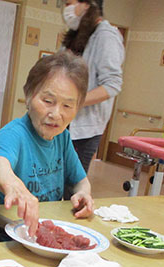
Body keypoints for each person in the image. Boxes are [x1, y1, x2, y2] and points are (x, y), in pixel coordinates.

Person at [0, 51, 94, 236]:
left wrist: (83, 194)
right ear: (28, 96)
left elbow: (80, 182)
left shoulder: (62, 138)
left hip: (43, 233)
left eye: (67, 106)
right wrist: (15, 187)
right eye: (48, 101)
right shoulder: (13, 133)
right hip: (3, 235)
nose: (56, 114)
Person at [61, 0, 124, 174]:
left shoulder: (106, 36)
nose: (67, 10)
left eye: (70, 3)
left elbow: (112, 84)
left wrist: (74, 102)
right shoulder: (77, 34)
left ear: (87, 4)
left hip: (83, 129)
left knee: (73, 185)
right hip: (63, 122)